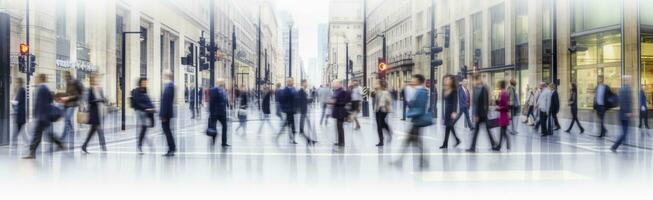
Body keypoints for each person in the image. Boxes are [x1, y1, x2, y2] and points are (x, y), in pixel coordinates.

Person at [24, 74, 65, 159]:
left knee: (39, 134)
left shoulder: (42, 89)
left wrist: (37, 114)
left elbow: (41, 104)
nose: (36, 80)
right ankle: (59, 144)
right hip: (44, 116)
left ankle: (32, 153)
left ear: (40, 79)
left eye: (37, 78)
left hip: (43, 116)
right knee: (42, 134)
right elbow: (50, 100)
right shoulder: (45, 89)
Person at [394, 74, 430, 167]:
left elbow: (420, 108)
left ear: (419, 80)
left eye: (414, 79)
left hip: (418, 121)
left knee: (411, 141)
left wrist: (409, 113)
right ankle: (422, 161)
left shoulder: (421, 91)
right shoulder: (419, 90)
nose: (412, 81)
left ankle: (401, 160)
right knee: (412, 141)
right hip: (416, 120)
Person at [466, 75, 496, 152]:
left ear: (478, 80)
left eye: (476, 80)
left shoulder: (482, 89)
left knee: (478, 131)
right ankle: (493, 144)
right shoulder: (478, 89)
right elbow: (476, 103)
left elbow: (483, 103)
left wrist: (477, 115)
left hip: (481, 114)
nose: (475, 82)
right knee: (481, 131)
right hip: (481, 114)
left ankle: (473, 147)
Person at [81, 74, 107, 153]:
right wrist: (98, 100)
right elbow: (89, 101)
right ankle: (103, 146)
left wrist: (103, 100)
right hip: (93, 112)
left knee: (93, 130)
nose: (96, 81)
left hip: (100, 111)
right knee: (98, 129)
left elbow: (103, 99)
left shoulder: (100, 89)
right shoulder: (89, 89)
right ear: (91, 81)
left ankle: (84, 145)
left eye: (97, 79)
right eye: (94, 79)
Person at [131, 78, 156, 153]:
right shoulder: (136, 91)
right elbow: (137, 102)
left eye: (146, 82)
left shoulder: (145, 91)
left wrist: (152, 107)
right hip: (140, 111)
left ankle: (142, 145)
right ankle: (141, 145)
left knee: (145, 128)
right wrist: (146, 108)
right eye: (143, 82)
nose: (145, 84)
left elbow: (148, 101)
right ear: (140, 83)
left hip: (146, 111)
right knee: (144, 127)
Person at [60, 71, 83, 146]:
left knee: (67, 120)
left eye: (66, 76)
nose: (65, 77)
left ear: (69, 76)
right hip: (67, 104)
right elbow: (68, 93)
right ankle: (72, 130)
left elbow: (76, 95)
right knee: (67, 119)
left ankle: (62, 138)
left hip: (72, 104)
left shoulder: (73, 82)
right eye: (64, 76)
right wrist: (64, 98)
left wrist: (68, 97)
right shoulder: (67, 83)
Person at [612, 75, 633, 152]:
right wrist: (628, 112)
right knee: (624, 133)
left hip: (622, 114)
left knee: (625, 132)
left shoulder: (621, 89)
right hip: (625, 114)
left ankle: (623, 145)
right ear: (626, 80)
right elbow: (624, 102)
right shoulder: (626, 89)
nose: (630, 81)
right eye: (629, 79)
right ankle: (615, 146)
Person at [277, 78, 299, 144]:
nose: (291, 82)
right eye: (290, 81)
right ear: (287, 82)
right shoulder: (284, 90)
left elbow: (296, 98)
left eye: (292, 81)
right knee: (291, 125)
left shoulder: (294, 89)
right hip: (288, 110)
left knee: (289, 124)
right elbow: (281, 100)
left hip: (292, 110)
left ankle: (289, 137)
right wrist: (283, 108)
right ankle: (292, 139)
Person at [440, 75, 460, 149]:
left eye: (448, 79)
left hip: (451, 112)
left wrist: (454, 112)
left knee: (449, 127)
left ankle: (446, 144)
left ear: (451, 81)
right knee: (448, 127)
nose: (446, 81)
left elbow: (455, 101)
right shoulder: (444, 89)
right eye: (446, 79)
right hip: (447, 111)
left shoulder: (454, 90)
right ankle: (449, 142)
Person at [160, 71, 176, 156]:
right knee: (167, 131)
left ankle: (171, 149)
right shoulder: (170, 86)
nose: (162, 77)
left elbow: (166, 102)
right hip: (167, 113)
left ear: (167, 76)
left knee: (167, 131)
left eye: (164, 75)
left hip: (166, 114)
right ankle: (172, 148)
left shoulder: (169, 86)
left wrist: (163, 115)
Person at [208, 79, 229, 147]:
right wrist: (211, 112)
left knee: (225, 127)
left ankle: (224, 142)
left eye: (223, 81)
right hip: (215, 112)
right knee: (213, 127)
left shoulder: (224, 90)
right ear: (218, 83)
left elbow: (224, 100)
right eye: (222, 82)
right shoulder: (213, 90)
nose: (223, 83)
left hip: (222, 113)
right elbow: (211, 102)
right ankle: (213, 140)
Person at [330, 80, 350, 146]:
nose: (334, 84)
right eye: (334, 83)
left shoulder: (343, 91)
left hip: (341, 111)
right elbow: (334, 98)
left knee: (340, 127)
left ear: (339, 83)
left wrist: (336, 102)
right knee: (338, 127)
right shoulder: (336, 91)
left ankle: (342, 142)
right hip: (337, 111)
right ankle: (339, 141)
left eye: (335, 83)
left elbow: (346, 101)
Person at [373, 80, 393, 146]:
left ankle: (388, 133)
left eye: (378, 84)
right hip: (377, 110)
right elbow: (372, 96)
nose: (377, 85)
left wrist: (383, 104)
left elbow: (389, 101)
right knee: (379, 125)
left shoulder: (386, 92)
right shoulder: (377, 92)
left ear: (381, 85)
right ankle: (381, 141)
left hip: (384, 110)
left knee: (380, 124)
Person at [298, 80, 317, 145]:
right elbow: (303, 101)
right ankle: (310, 140)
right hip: (303, 111)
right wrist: (311, 99)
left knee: (306, 126)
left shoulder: (303, 91)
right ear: (303, 83)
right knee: (301, 129)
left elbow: (304, 100)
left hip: (304, 111)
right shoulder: (301, 91)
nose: (307, 84)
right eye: (306, 83)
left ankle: (311, 139)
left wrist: (310, 99)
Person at [493, 80, 511, 151]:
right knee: (503, 132)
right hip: (503, 115)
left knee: (503, 132)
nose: (497, 86)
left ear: (501, 85)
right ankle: (503, 146)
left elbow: (505, 106)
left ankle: (501, 146)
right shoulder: (503, 93)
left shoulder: (503, 93)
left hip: (503, 115)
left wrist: (498, 108)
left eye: (498, 85)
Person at [11, 78, 27, 145]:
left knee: (18, 129)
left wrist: (12, 101)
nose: (16, 83)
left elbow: (18, 102)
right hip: (20, 113)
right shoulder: (21, 90)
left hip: (20, 113)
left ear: (19, 83)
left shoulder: (21, 90)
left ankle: (14, 141)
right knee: (20, 129)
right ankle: (15, 141)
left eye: (17, 82)